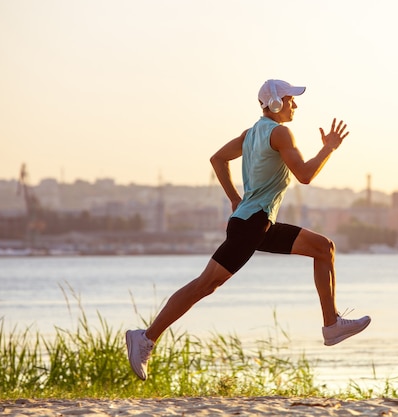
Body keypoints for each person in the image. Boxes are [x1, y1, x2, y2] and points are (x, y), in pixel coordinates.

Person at [126, 79, 371, 381]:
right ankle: (146, 338)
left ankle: (331, 324)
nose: (295, 104)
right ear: (276, 103)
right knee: (204, 285)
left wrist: (233, 198)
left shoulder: (250, 134)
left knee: (324, 248)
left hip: (255, 222)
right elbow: (305, 175)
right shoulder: (280, 133)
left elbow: (217, 159)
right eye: (290, 99)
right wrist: (328, 149)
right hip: (251, 225)